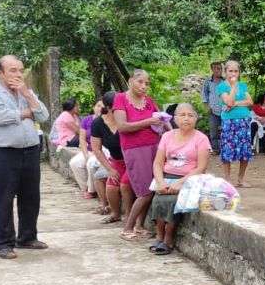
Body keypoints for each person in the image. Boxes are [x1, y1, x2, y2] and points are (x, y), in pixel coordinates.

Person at [0, 55, 50, 259]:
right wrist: (26, 113)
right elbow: (0, 117)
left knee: (31, 196)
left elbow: (43, 115)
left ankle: (27, 237)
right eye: (12, 70)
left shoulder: (25, 92)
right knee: (4, 197)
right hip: (4, 152)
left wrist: (26, 94)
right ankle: (3, 242)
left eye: (20, 70)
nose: (18, 74)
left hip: (30, 150)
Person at [148, 103, 212, 255]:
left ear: (196, 119)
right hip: (166, 176)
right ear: (175, 118)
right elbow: (158, 163)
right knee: (157, 198)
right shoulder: (167, 136)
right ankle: (159, 234)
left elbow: (201, 167)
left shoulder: (201, 139)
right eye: (182, 115)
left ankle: (169, 238)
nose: (186, 118)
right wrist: (161, 181)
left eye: (191, 115)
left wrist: (181, 182)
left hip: (191, 178)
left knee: (173, 200)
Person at [114, 69, 168, 240]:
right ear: (130, 81)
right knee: (144, 191)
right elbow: (122, 126)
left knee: (152, 188)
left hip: (154, 146)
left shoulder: (149, 101)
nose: (144, 86)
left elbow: (163, 119)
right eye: (140, 82)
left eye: (147, 83)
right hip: (134, 149)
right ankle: (127, 228)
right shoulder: (121, 99)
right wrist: (148, 122)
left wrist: (173, 136)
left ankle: (139, 226)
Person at [90, 91, 132, 225]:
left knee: (125, 184)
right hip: (116, 161)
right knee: (111, 186)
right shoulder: (98, 123)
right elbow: (96, 148)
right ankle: (115, 214)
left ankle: (130, 216)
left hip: (132, 159)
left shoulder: (128, 118)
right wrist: (110, 169)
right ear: (108, 107)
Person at [217, 60, 253, 186]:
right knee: (228, 149)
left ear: (239, 72)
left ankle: (240, 179)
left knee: (245, 150)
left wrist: (236, 103)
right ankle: (227, 180)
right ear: (225, 72)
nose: (233, 73)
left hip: (244, 120)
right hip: (229, 121)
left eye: (236, 71)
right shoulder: (222, 86)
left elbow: (250, 102)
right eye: (230, 71)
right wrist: (233, 87)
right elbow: (228, 102)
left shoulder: (243, 85)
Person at [68, 100, 107, 205]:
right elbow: (82, 139)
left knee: (91, 163)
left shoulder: (107, 119)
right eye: (98, 106)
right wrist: (85, 154)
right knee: (74, 162)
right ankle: (85, 188)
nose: (100, 108)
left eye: (103, 106)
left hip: (102, 151)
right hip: (89, 150)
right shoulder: (86, 120)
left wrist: (97, 153)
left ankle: (91, 190)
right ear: (94, 107)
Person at [201, 61, 224, 152]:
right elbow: (204, 95)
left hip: (224, 110)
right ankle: (215, 149)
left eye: (221, 68)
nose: (219, 70)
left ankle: (225, 148)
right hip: (212, 110)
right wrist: (207, 106)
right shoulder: (208, 82)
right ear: (212, 69)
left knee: (226, 129)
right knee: (213, 130)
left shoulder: (224, 81)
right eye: (217, 68)